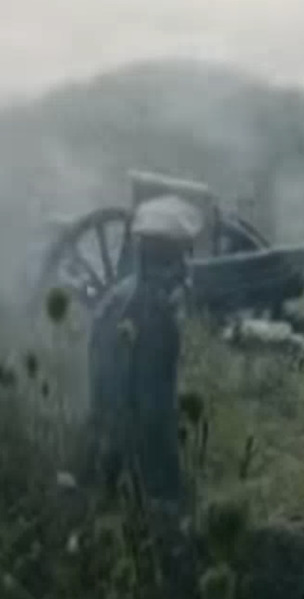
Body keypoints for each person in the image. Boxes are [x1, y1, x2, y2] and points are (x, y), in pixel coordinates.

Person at [81, 195, 202, 598]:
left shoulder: (109, 302)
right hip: (142, 458)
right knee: (155, 563)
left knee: (106, 542)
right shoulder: (161, 320)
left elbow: (97, 380)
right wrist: (170, 487)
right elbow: (156, 410)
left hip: (104, 441)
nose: (184, 270)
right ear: (170, 261)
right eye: (181, 258)